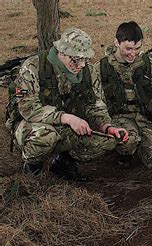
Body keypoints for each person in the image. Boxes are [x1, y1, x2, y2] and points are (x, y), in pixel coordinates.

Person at [5, 28, 128, 181]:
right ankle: (33, 164)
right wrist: (67, 118)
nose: (82, 65)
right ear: (61, 53)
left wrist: (107, 127)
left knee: (107, 141)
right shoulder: (33, 67)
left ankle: (64, 162)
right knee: (46, 136)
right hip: (33, 125)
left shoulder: (88, 71)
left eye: (85, 59)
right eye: (76, 59)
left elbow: (95, 105)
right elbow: (28, 109)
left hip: (69, 126)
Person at [94, 21, 152, 172]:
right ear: (116, 42)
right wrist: (107, 125)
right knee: (128, 140)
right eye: (128, 48)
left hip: (146, 116)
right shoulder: (102, 68)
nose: (132, 54)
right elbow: (95, 103)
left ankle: (144, 147)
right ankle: (126, 153)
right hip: (119, 118)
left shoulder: (148, 64)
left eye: (137, 48)